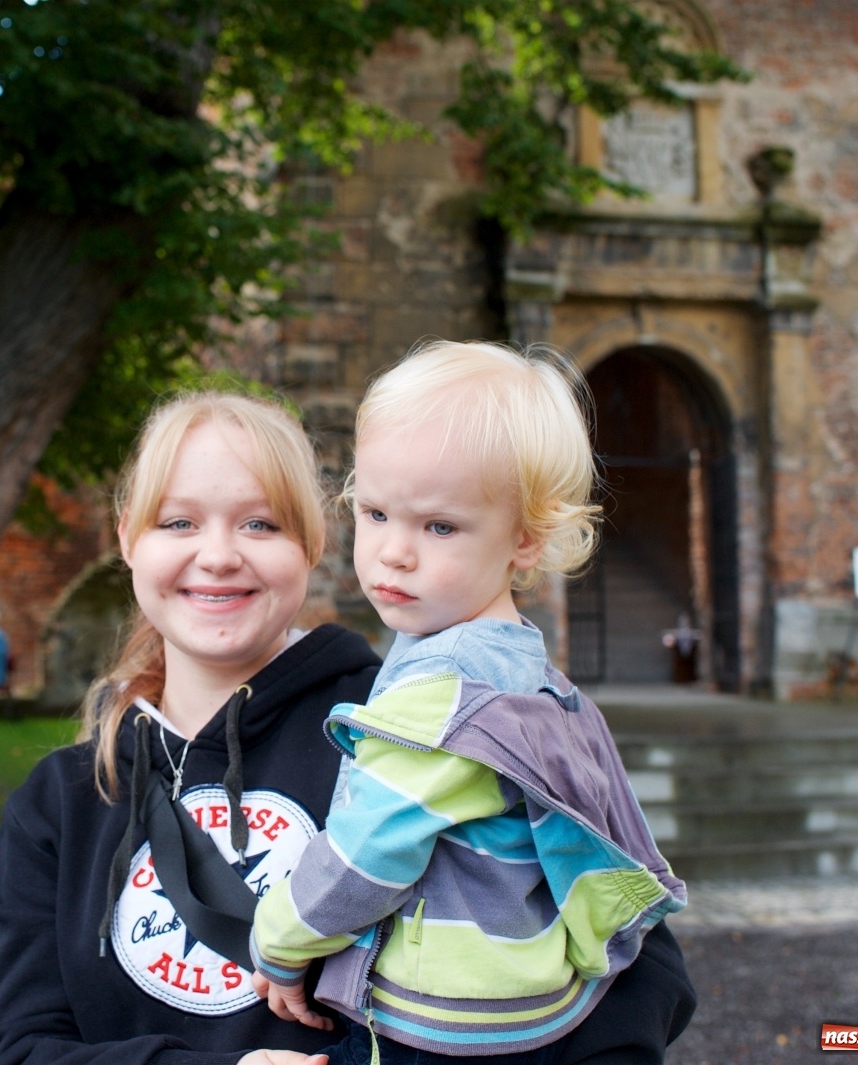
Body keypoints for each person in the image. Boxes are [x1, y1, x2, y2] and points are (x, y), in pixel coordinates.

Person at [0, 390, 696, 1065]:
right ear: (128, 538)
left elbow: (637, 971)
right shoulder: (61, 801)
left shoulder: (432, 725)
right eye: (178, 521)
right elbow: (15, 1047)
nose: (219, 554)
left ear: (313, 542)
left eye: (260, 523)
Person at [249, 341, 687, 1063]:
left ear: (526, 539)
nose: (394, 551)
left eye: (439, 526)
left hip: (440, 1023)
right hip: (529, 998)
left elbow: (369, 855)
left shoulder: (445, 689)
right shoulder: (521, 663)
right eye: (378, 513)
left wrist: (278, 940)